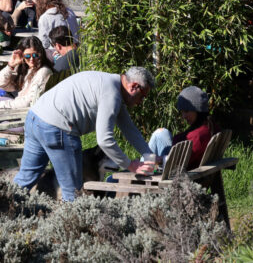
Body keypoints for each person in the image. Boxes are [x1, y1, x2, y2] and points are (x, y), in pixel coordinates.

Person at [13, 66, 155, 201]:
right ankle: (74, 226)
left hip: (35, 118)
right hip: (57, 127)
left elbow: (129, 128)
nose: (141, 102)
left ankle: (4, 208)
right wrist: (130, 165)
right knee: (73, 191)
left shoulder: (111, 84)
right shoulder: (112, 94)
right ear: (134, 86)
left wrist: (151, 155)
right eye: (142, 96)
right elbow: (104, 140)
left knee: (25, 178)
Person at [147, 86, 219, 169]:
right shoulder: (211, 126)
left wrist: (159, 159)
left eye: (186, 111)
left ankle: (140, 169)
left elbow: (177, 162)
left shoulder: (197, 136)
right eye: (182, 112)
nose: (183, 116)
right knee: (161, 132)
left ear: (198, 110)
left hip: (180, 172)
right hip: (185, 163)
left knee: (157, 136)